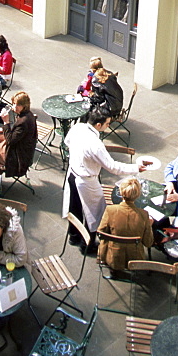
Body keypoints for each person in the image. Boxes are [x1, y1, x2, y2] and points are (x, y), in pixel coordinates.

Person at [63, 107, 148, 250]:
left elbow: (67, 142)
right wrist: (136, 168)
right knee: (95, 213)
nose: (108, 126)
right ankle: (87, 245)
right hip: (86, 180)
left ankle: (74, 236)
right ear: (98, 125)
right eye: (107, 123)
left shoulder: (78, 127)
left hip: (72, 174)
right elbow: (113, 167)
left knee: (74, 206)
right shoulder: (95, 145)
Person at [97, 177, 154, 270]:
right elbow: (148, 242)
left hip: (112, 257)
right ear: (138, 195)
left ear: (121, 192)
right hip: (135, 259)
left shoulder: (110, 210)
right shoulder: (144, 215)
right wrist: (149, 226)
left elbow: (101, 232)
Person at [0, 90, 37, 179]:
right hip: (19, 143)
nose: (14, 107)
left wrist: (6, 122)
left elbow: (10, 140)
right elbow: (16, 133)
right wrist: (2, 129)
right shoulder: (27, 115)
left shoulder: (23, 121)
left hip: (18, 154)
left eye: (18, 105)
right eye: (13, 103)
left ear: (24, 106)